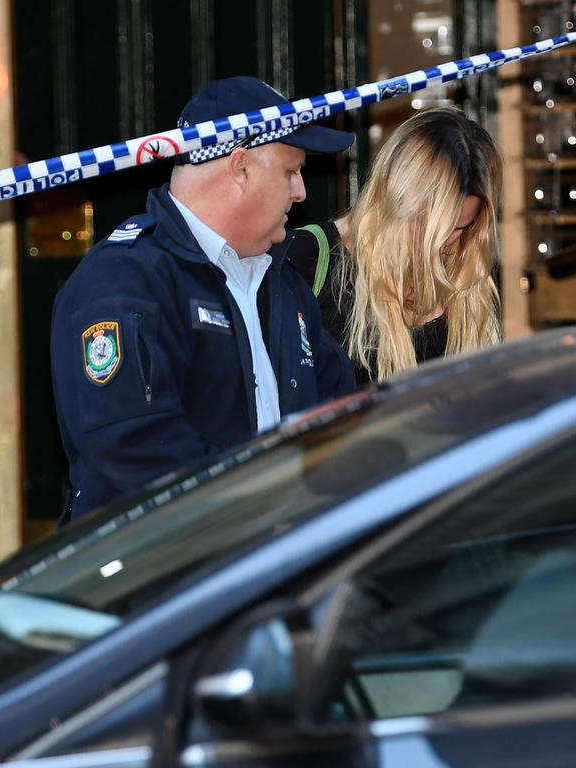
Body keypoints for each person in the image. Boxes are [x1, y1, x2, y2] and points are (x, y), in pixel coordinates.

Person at [51, 77, 356, 523]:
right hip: (160, 578)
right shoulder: (124, 282)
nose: (301, 192)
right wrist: (262, 506)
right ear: (241, 168)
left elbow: (337, 413)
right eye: (291, 171)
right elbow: (135, 450)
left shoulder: (281, 280)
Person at [288, 107, 501, 385]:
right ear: (396, 200)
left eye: (459, 228)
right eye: (428, 227)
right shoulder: (307, 259)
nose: (444, 243)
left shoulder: (466, 274)